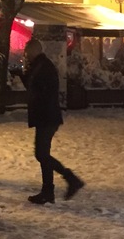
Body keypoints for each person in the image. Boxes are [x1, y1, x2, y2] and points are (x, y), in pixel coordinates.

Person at [23, 37, 84, 204]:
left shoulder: (43, 67)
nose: (25, 54)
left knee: (41, 154)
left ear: (34, 51)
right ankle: (48, 191)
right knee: (43, 154)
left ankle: (70, 179)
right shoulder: (40, 65)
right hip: (45, 116)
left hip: (46, 116)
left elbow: (41, 90)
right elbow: (33, 85)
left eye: (27, 51)